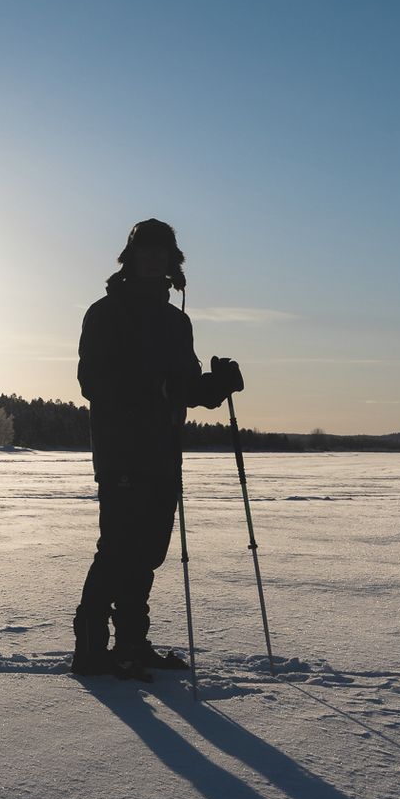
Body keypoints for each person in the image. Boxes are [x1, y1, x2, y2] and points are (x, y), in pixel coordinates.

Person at [73, 218, 242, 680]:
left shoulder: (175, 320)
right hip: (122, 450)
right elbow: (93, 382)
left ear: (172, 262)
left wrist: (218, 386)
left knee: (148, 552)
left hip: (163, 452)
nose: (153, 260)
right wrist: (156, 388)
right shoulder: (105, 313)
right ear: (130, 258)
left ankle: (131, 643)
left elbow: (184, 387)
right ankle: (89, 648)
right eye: (144, 252)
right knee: (118, 549)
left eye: (161, 253)